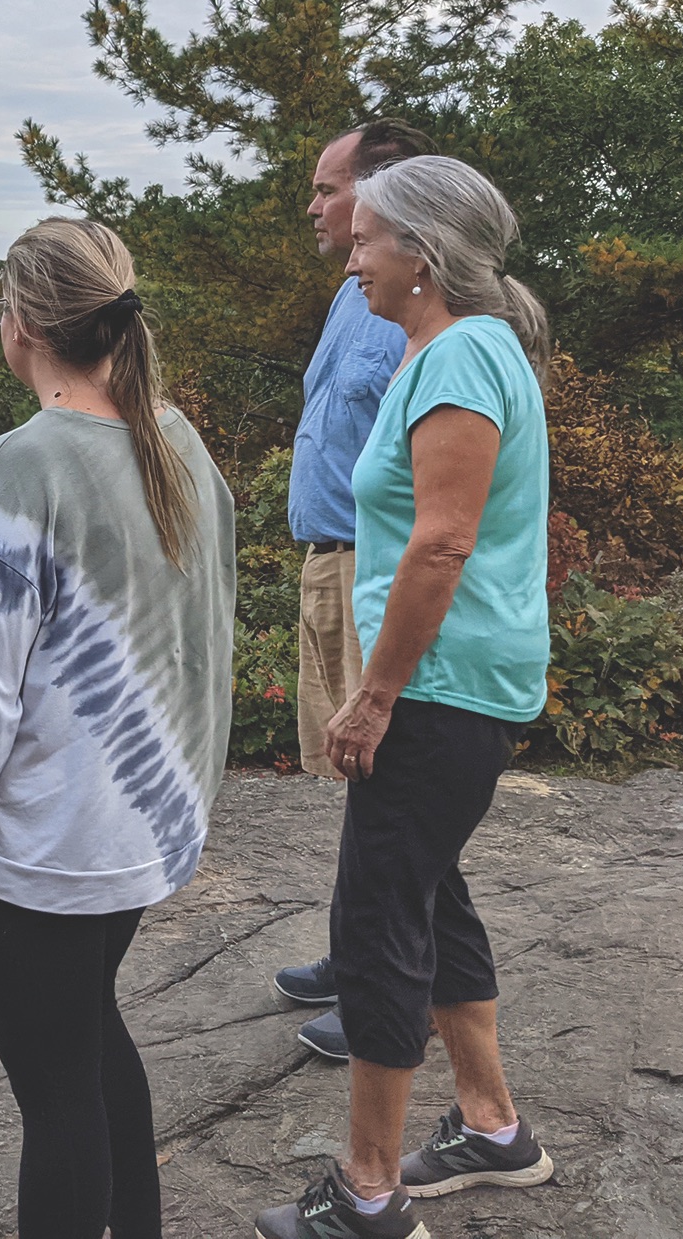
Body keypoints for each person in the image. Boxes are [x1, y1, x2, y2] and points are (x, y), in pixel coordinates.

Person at [0, 217, 235, 1239]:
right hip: (143, 827)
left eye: (2, 309)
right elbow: (209, 628)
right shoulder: (175, 438)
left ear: (28, 326)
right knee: (87, 1040)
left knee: (55, 1094)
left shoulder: (23, 466)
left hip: (49, 843)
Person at [255, 157, 557, 1239]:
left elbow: (441, 541)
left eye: (368, 239)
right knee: (430, 896)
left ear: (421, 257)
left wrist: (373, 697)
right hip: (458, 685)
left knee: (379, 921)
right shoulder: (460, 348)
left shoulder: (463, 356)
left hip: (440, 690)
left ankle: (369, 1196)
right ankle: (492, 1128)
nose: (352, 256)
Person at [272, 120, 433, 1065]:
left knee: (390, 779)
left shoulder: (417, 313)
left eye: (328, 187)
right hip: (328, 559)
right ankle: (353, 953)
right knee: (352, 780)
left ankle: (387, 988)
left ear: (382, 194)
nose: (316, 204)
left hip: (377, 563)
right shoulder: (351, 296)